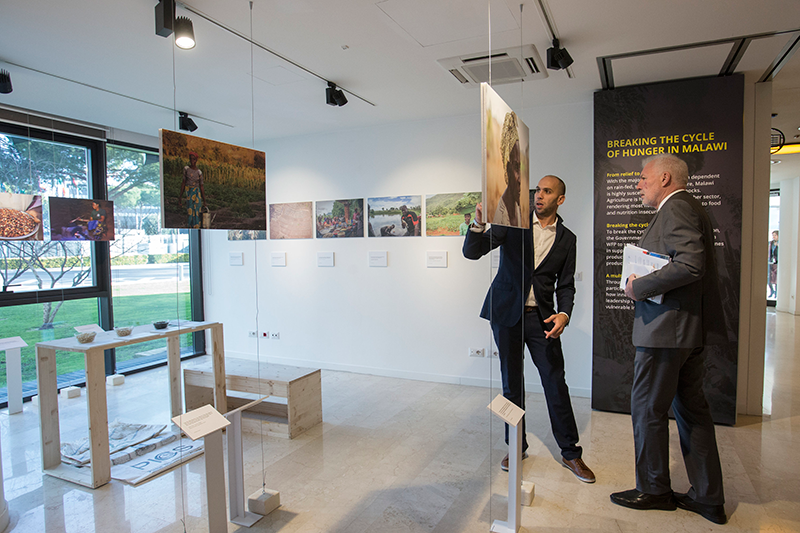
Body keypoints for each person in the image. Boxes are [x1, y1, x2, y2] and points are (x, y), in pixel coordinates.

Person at [612, 153, 727, 524]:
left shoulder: (676, 208)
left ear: (664, 178)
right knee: (693, 412)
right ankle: (708, 497)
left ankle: (654, 489)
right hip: (685, 331)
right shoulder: (689, 207)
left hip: (666, 332)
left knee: (648, 408)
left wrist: (639, 287)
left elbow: (690, 263)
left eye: (643, 178)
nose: (638, 184)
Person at [463, 175, 595, 483]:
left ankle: (570, 453)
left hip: (543, 319)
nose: (539, 195)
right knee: (512, 385)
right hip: (506, 313)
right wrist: (479, 224)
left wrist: (564, 314)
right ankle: (516, 446)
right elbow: (473, 252)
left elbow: (566, 285)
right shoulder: (514, 225)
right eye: (537, 190)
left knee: (555, 383)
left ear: (559, 199)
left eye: (547, 191)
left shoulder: (567, 239)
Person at [493, 112, 523, 227]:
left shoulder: (518, 206)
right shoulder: (501, 215)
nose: (520, 179)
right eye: (516, 168)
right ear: (507, 169)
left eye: (521, 168)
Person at [179, 151, 206, 229]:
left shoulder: (199, 172)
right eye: (191, 159)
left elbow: (201, 186)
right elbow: (183, 182)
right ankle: (190, 227)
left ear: (196, 160)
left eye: (194, 159)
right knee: (190, 211)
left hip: (197, 193)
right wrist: (180, 197)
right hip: (189, 193)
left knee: (197, 212)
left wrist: (204, 201)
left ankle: (196, 227)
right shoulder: (186, 169)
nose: (192, 161)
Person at [768, 230, 778, 298]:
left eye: (775, 235)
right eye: (773, 235)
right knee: (769, 280)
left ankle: (776, 293)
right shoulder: (771, 243)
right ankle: (772, 291)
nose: (773, 237)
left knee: (776, 279)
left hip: (777, 263)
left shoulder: (780, 243)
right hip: (771, 262)